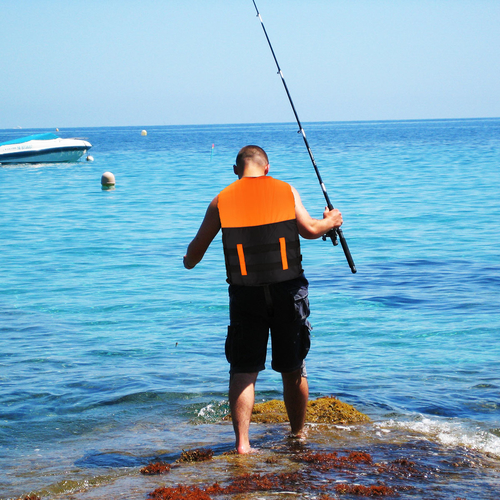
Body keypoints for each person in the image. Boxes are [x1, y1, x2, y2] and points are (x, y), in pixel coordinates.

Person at [183, 145, 343, 454]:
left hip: (246, 295)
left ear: (236, 170)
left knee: (244, 368)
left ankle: (243, 445)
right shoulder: (285, 190)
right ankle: (297, 435)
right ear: (266, 167)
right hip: (288, 291)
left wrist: (186, 258)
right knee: (293, 366)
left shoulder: (221, 200)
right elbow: (310, 229)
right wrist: (332, 221)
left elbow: (193, 256)